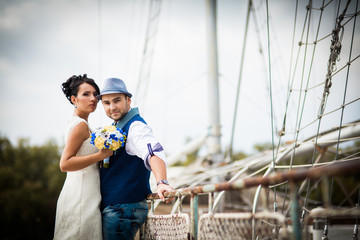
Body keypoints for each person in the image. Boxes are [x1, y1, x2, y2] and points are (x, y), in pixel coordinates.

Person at [98, 77, 175, 240]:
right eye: (106, 103)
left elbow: (153, 151)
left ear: (128, 100)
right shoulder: (116, 127)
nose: (112, 107)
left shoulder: (135, 127)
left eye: (117, 101)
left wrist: (162, 182)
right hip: (118, 208)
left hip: (122, 209)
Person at [54, 74, 113, 240]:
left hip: (87, 192)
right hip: (80, 196)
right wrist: (100, 155)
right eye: (86, 94)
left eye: (95, 94)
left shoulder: (82, 123)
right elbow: (64, 164)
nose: (93, 98)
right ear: (74, 99)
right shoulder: (80, 125)